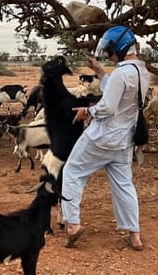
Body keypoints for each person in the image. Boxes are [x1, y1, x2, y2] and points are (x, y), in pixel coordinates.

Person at [61, 26, 149, 251]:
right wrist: (100, 71)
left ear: (118, 48)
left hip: (101, 137)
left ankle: (72, 224)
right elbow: (116, 91)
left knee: (72, 171)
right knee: (124, 185)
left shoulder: (121, 73)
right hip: (123, 141)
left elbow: (108, 105)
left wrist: (86, 112)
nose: (109, 56)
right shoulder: (141, 72)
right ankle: (134, 234)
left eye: (110, 51)